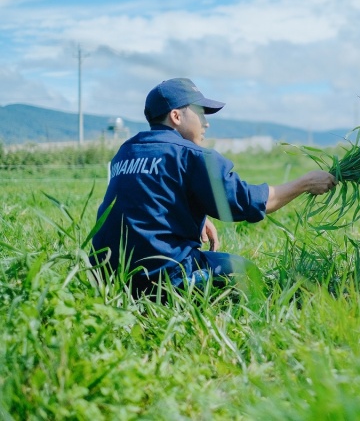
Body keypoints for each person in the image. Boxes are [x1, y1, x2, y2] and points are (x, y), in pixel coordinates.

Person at [92, 77, 336, 299]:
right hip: (163, 278)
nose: (206, 124)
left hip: (109, 278)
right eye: (200, 114)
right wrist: (305, 183)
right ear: (176, 116)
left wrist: (195, 216)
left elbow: (147, 200)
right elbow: (248, 203)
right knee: (246, 272)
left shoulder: (127, 152)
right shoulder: (193, 155)